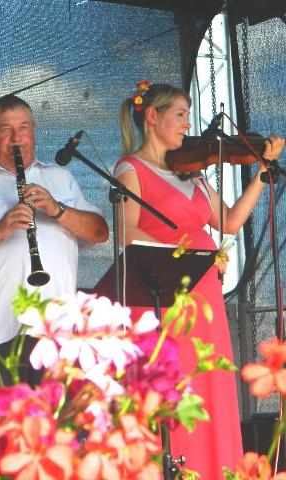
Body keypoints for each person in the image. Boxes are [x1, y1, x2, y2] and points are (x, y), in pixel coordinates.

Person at [114, 81, 285, 478]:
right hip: (166, 295)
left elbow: (230, 221)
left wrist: (261, 173)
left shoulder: (191, 174)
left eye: (188, 116)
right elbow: (126, 232)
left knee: (210, 385)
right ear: (152, 117)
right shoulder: (130, 169)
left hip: (204, 294)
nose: (187, 125)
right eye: (180, 115)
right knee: (178, 387)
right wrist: (188, 254)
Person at [0, 95, 109, 388]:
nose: (16, 137)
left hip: (58, 337)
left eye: (23, 128)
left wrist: (57, 209)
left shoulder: (61, 179)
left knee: (57, 419)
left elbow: (99, 232)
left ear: (33, 130)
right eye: (5, 129)